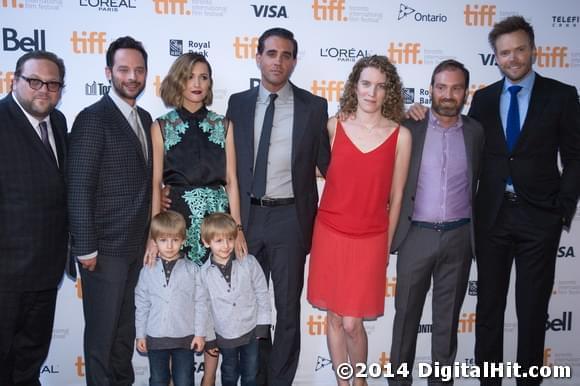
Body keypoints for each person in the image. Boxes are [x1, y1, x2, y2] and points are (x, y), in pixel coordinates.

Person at [407, 16, 580, 385]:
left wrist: (562, 211)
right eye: (505, 52)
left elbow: (576, 156)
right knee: (488, 311)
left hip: (540, 220)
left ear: (533, 50)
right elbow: (456, 138)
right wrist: (416, 113)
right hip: (491, 219)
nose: (513, 58)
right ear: (496, 57)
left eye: (519, 49)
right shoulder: (483, 100)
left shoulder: (562, 95)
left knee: (533, 312)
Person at [226, 27, 331, 385]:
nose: (278, 61)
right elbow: (225, 163)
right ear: (258, 58)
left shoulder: (315, 107)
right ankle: (256, 376)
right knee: (249, 307)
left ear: (294, 62)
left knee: (287, 310)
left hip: (291, 219)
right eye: (271, 54)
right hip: (247, 220)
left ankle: (280, 380)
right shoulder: (237, 105)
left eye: (286, 55)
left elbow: (331, 163)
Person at [306, 55, 411, 386]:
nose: (372, 92)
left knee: (353, 322)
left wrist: (385, 246)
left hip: (371, 240)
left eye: (380, 86)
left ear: (389, 92)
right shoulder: (334, 126)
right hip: (330, 234)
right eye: (366, 84)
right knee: (335, 318)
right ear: (355, 86)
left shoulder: (401, 137)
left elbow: (395, 200)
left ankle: (360, 381)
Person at [145, 52, 247, 385]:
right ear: (178, 80)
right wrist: (151, 235)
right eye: (190, 77)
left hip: (217, 224)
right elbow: (155, 183)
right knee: (182, 299)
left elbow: (232, 181)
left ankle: (209, 378)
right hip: (177, 223)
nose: (197, 84)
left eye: (204, 77)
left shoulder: (224, 125)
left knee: (216, 299)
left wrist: (239, 229)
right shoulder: (160, 126)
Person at [388, 60, 484, 385]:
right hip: (416, 235)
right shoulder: (409, 127)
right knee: (405, 323)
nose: (448, 94)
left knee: (446, 326)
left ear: (466, 93)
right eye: (441, 87)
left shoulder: (475, 132)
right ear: (431, 89)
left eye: (456, 88)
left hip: (459, 237)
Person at [67, 36, 153, 386]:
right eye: (124, 69)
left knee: (123, 336)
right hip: (103, 251)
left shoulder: (145, 117)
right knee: (102, 339)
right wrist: (85, 246)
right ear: (108, 72)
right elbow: (78, 187)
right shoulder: (92, 119)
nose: (132, 76)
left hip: (136, 249)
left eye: (139, 70)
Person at [0, 51, 69, 386]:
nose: (44, 89)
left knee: (30, 360)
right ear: (14, 81)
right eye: (35, 81)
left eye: (53, 84)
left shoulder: (59, 122)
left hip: (46, 272)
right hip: (5, 277)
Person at [135, 210, 211, 386]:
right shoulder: (147, 270)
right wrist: (140, 334)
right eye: (163, 240)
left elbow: (201, 304)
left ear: (183, 240)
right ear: (154, 242)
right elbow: (142, 304)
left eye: (175, 240)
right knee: (158, 380)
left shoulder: (193, 270)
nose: (169, 246)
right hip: (155, 337)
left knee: (185, 381)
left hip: (184, 338)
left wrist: (200, 334)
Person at [199, 212, 271, 386]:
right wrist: (209, 338)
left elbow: (262, 292)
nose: (226, 246)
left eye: (230, 239)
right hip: (224, 335)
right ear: (206, 242)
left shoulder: (249, 262)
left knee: (251, 374)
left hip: (251, 332)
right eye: (218, 241)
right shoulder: (202, 274)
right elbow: (203, 308)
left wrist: (263, 325)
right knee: (229, 374)